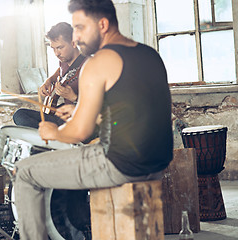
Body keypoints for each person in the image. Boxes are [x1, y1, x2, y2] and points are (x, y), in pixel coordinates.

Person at [13, 0, 174, 239]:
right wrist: (90, 115)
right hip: (157, 163)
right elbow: (134, 113)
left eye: (80, 28)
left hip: (120, 164)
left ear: (102, 24)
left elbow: (78, 132)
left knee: (24, 171)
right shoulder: (149, 54)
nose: (76, 37)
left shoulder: (97, 62)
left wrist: (53, 132)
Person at [13, 22, 87, 131]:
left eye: (60, 47)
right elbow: (60, 71)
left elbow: (101, 106)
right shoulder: (64, 61)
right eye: (53, 48)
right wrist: (49, 81)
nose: (56, 53)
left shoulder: (89, 66)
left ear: (74, 43)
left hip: (81, 122)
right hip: (63, 117)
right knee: (19, 115)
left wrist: (74, 98)